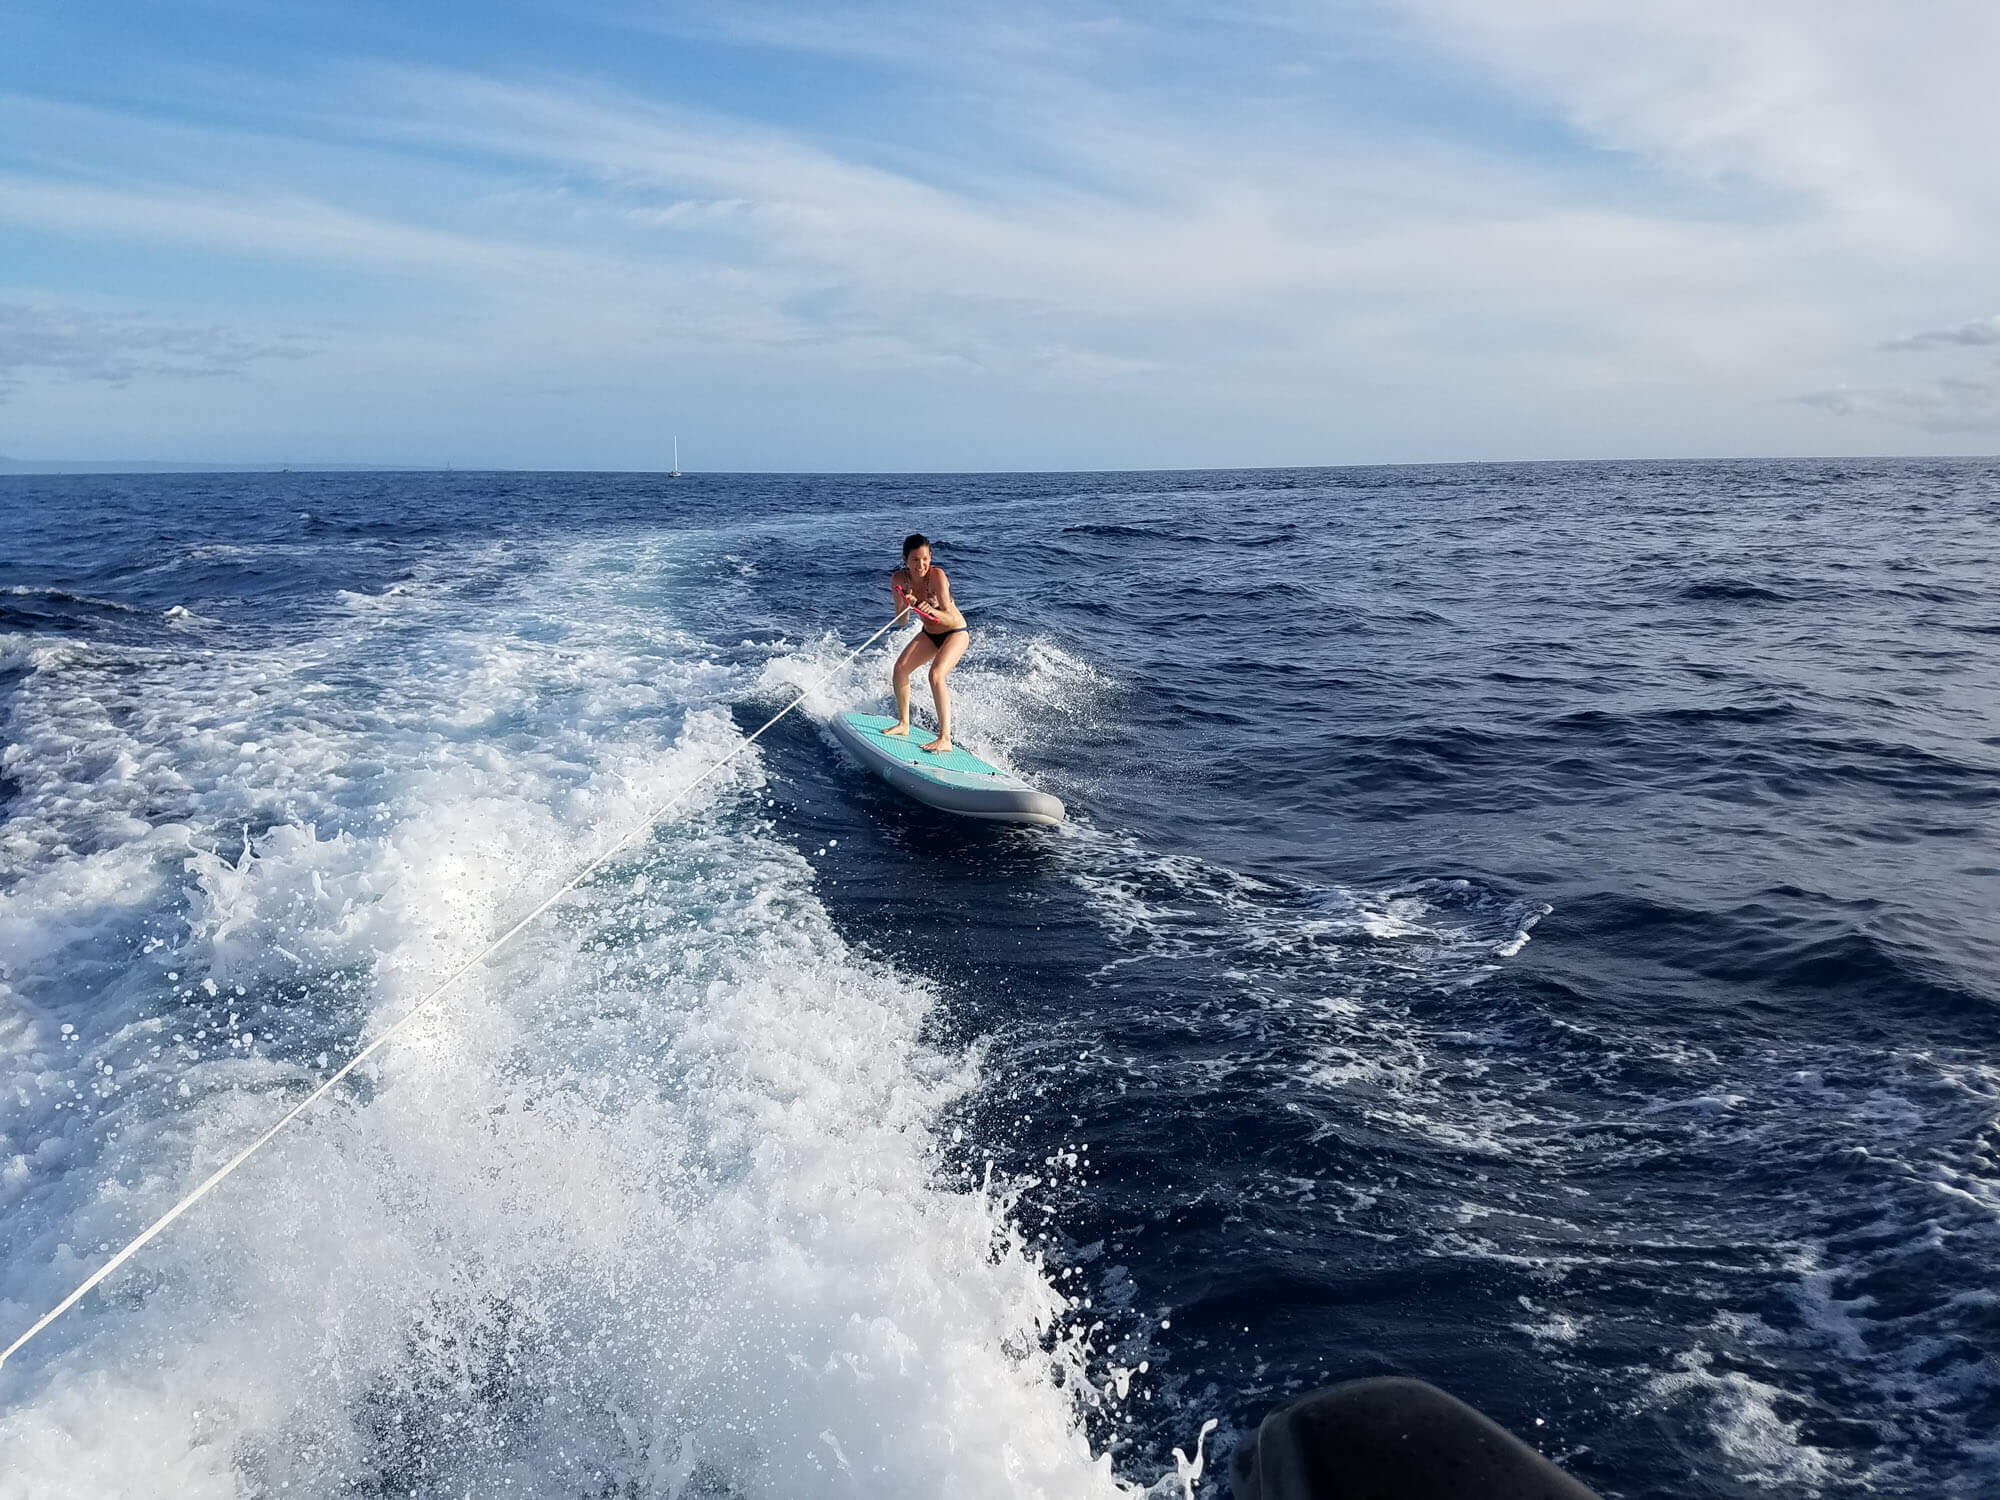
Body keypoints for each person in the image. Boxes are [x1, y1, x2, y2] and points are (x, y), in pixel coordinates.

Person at [886, 532, 968, 754]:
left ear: (930, 557)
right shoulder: (899, 580)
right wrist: (906, 602)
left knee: (935, 675)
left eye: (925, 558)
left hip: (955, 633)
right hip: (930, 634)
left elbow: (951, 618)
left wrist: (929, 608)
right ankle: (904, 724)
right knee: (900, 669)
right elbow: (902, 622)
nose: (920, 564)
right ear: (905, 560)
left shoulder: (938, 576)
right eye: (914, 560)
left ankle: (945, 738)